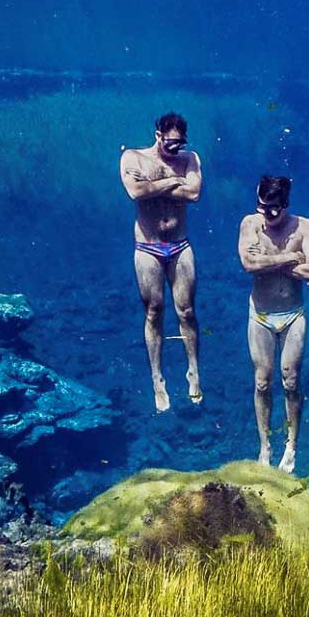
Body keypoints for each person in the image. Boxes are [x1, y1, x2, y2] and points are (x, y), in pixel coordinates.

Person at [120, 112, 203, 412]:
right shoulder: (133, 158)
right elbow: (135, 192)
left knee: (187, 311)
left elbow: (193, 193)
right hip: (148, 246)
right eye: (170, 143)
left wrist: (157, 184)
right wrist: (172, 180)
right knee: (154, 311)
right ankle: (158, 379)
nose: (175, 149)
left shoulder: (189, 157)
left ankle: (193, 371)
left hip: (180, 245)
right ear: (157, 135)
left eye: (179, 143)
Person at [239, 174, 309, 472]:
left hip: (292, 314)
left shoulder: (305, 227)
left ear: (286, 204)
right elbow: (249, 265)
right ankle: (265, 446)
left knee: (291, 381)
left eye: (275, 208)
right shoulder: (249, 224)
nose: (268, 214)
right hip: (259, 315)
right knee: (262, 381)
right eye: (263, 206)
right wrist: (290, 257)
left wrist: (270, 260)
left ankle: (291, 446)